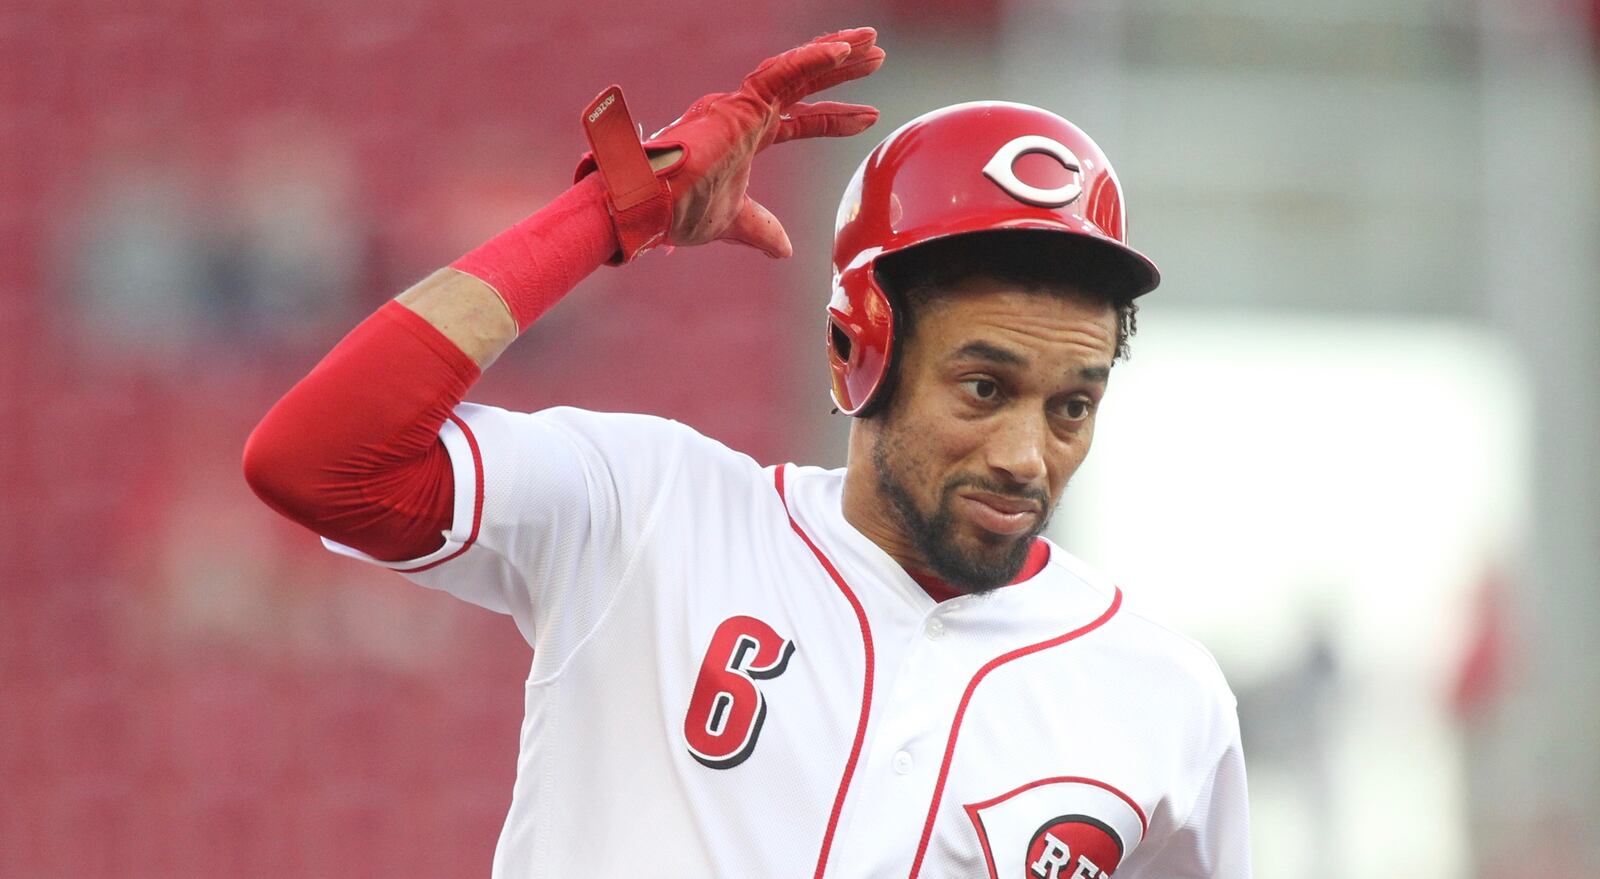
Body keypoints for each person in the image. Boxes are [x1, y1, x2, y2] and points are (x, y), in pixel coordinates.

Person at [244, 27, 1251, 877]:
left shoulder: (1163, 699)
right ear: (856, 351)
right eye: (982, 389)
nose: (1027, 456)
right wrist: (606, 214)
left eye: (1071, 406)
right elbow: (318, 459)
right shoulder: (648, 514)